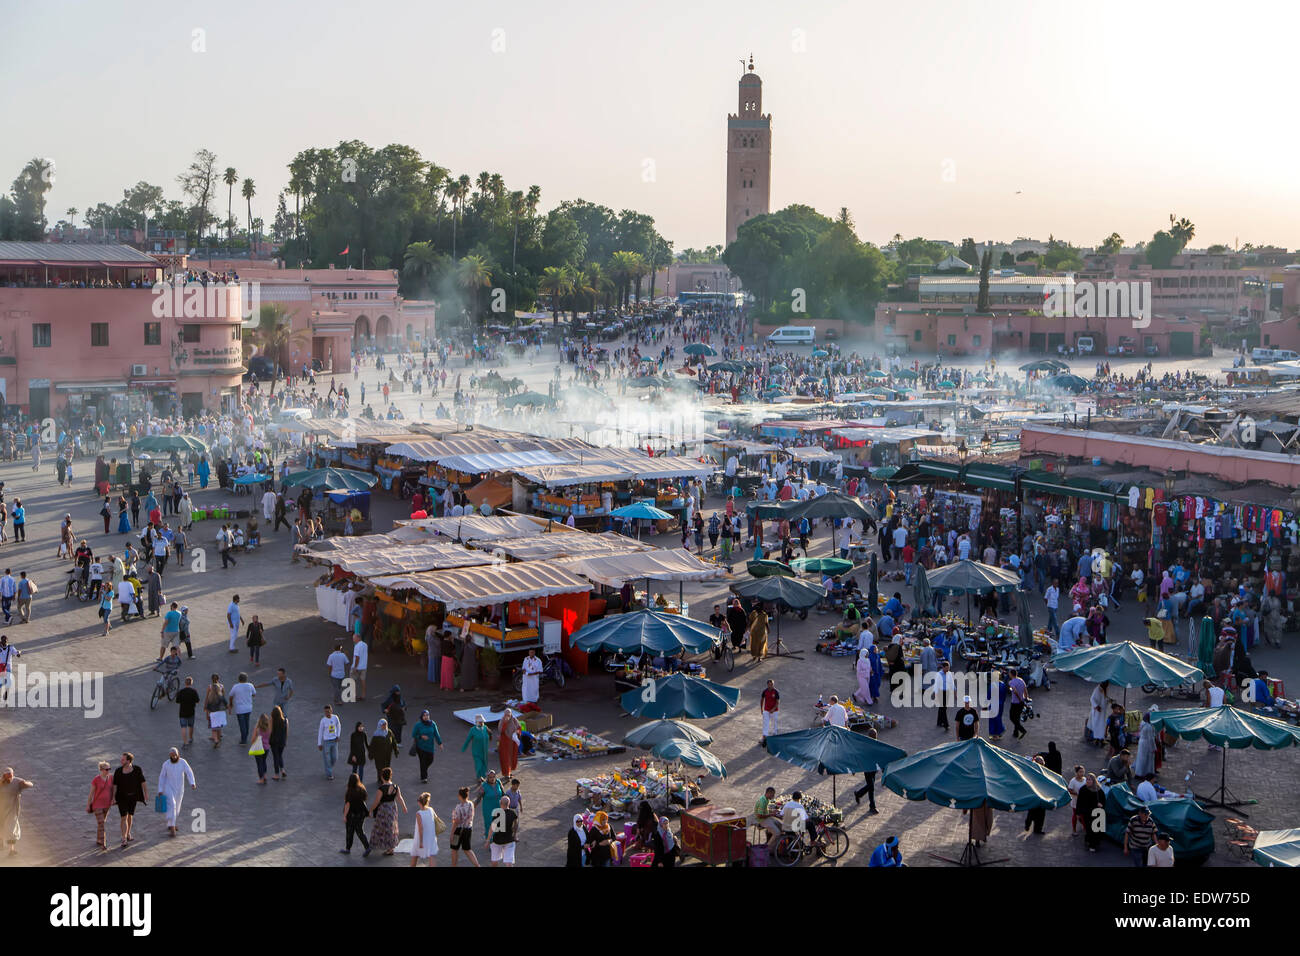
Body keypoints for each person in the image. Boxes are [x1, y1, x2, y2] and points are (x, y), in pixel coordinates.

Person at [156, 747, 196, 837]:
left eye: (175, 755)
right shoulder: (166, 764)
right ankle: (172, 827)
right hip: (168, 787)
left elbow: (189, 772)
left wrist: (192, 783)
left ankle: (170, 823)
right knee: (172, 805)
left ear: (178, 755)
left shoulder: (183, 762)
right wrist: (160, 789)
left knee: (177, 807)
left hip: (180, 788)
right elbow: (162, 777)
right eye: (172, 756)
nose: (173, 757)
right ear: (169, 756)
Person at [110, 752, 146, 849]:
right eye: (121, 759)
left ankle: (128, 832)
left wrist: (145, 794)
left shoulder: (137, 769)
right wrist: (113, 797)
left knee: (130, 815)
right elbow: (115, 785)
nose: (121, 761)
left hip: (133, 797)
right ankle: (124, 838)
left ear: (129, 761)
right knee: (123, 817)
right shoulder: (118, 771)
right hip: (121, 798)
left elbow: (143, 782)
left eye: (123, 760)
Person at [368, 766, 406, 856]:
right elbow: (399, 798)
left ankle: (378, 844)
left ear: (382, 777)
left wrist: (370, 810)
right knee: (392, 826)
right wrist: (404, 807)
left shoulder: (381, 789)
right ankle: (391, 847)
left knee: (381, 826)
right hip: (393, 807)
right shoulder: (396, 787)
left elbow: (377, 802)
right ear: (390, 776)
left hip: (384, 809)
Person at [0, 768, 33, 856]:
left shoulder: (17, 782)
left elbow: (31, 784)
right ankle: (1, 842)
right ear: (4, 776)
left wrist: (25, 783)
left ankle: (11, 850)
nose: (9, 778)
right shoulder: (1, 782)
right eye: (7, 776)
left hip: (12, 809)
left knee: (12, 828)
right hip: (1, 809)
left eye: (10, 776)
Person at [474, 770, 506, 852]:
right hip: (488, 809)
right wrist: (472, 807)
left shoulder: (498, 782)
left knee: (500, 824)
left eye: (493, 777)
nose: (492, 779)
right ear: (487, 778)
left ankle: (499, 841)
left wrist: (507, 805)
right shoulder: (484, 786)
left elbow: (503, 794)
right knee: (490, 824)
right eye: (490, 777)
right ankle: (491, 843)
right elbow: (478, 799)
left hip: (499, 807)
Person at [341, 773, 371, 856]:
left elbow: (347, 805)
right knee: (360, 831)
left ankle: (348, 849)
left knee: (350, 832)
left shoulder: (350, 791)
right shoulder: (362, 789)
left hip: (352, 815)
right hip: (361, 814)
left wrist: (344, 816)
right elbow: (364, 800)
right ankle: (367, 847)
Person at [410, 710, 443, 783]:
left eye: (427, 715)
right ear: (422, 717)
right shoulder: (418, 725)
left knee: (430, 760)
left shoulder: (432, 724)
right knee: (423, 762)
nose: (426, 717)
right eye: (424, 715)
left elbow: (436, 734)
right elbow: (413, 734)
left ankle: (424, 769)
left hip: (430, 747)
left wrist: (440, 743)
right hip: (420, 747)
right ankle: (424, 778)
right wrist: (421, 736)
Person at [853, 727, 882, 813]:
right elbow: (860, 756)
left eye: (876, 735)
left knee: (870, 786)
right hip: (867, 768)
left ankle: (858, 794)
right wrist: (855, 767)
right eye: (874, 735)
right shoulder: (865, 745)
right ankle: (872, 806)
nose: (875, 737)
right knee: (871, 787)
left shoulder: (876, 743)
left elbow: (880, 756)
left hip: (873, 769)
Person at [87, 761, 113, 851]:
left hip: (107, 805)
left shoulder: (111, 778)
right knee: (101, 822)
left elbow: (113, 790)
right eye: (107, 769)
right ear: (101, 770)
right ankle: (103, 842)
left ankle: (99, 839)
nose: (108, 771)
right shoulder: (96, 779)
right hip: (97, 805)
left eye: (109, 769)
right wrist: (88, 805)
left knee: (101, 823)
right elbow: (91, 793)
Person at [451, 787, 481, 867]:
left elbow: (456, 821)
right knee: (467, 849)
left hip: (458, 830)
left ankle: (454, 865)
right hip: (468, 829)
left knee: (454, 849)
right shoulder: (471, 804)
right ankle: (477, 865)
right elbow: (471, 816)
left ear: (460, 796)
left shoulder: (458, 807)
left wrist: (452, 833)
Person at [1077, 773, 1105, 852]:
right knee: (1090, 829)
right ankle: (1091, 844)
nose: (1088, 781)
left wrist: (1101, 805)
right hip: (1087, 813)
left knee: (1096, 830)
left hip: (1097, 813)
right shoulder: (1083, 789)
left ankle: (1094, 842)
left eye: (1089, 780)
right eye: (1087, 780)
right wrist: (1078, 813)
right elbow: (1079, 802)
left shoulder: (1098, 790)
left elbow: (1103, 800)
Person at [489, 794, 518, 867]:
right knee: (509, 862)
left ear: (500, 803)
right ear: (509, 803)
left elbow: (492, 828)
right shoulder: (513, 813)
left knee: (494, 860)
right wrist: (514, 835)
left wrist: (488, 840)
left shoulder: (497, 813)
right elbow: (515, 825)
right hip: (509, 839)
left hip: (497, 840)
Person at [462, 714, 493, 779]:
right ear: (476, 722)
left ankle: (483, 777)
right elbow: (468, 740)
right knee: (479, 765)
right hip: (476, 752)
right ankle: (479, 777)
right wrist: (463, 748)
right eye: (480, 722)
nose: (482, 723)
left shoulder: (485, 728)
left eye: (482, 722)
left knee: (484, 765)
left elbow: (490, 734)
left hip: (484, 752)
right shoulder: (473, 730)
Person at [318, 704, 342, 780]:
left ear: (331, 711)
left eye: (328, 711)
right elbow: (320, 732)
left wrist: (338, 735)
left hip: (334, 741)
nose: (327, 713)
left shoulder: (335, 718)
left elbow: (339, 726)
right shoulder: (323, 721)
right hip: (326, 742)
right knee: (327, 758)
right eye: (325, 712)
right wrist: (319, 744)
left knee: (335, 758)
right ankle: (329, 773)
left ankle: (328, 767)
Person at [1134, 710, 1158, 778]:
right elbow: (1151, 739)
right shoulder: (1149, 727)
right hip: (1147, 744)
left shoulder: (1143, 723)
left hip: (1142, 742)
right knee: (1146, 760)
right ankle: (1144, 774)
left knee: (1140, 758)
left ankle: (1139, 773)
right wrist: (1153, 748)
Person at [498, 708, 521, 777]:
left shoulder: (514, 720)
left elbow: (519, 727)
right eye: (506, 715)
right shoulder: (502, 721)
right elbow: (501, 730)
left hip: (512, 742)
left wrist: (517, 732)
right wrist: (505, 723)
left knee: (512, 757)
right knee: (505, 758)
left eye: (509, 714)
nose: (507, 716)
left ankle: (509, 771)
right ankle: (506, 773)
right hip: (505, 742)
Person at [1007, 668, 1029, 740]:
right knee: (1017, 717)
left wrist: (1019, 699)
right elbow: (1025, 690)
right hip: (1021, 702)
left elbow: (1015, 691)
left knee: (1012, 717)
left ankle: (1022, 730)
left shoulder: (1011, 682)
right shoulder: (1021, 680)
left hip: (1015, 703)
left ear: (1011, 674)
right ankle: (1015, 733)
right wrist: (1026, 698)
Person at [1087, 681, 1110, 746]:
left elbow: (1104, 699)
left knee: (1102, 725)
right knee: (1098, 725)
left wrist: (1109, 700)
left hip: (1102, 712)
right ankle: (1099, 739)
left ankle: (1100, 739)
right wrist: (1096, 706)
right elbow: (1092, 699)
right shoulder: (1097, 690)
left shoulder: (1104, 689)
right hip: (1098, 712)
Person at [759, 678, 780, 745]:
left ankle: (775, 735)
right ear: (767, 685)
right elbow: (762, 700)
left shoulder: (776, 692)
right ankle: (764, 737)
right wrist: (761, 709)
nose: (771, 686)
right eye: (769, 684)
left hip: (774, 711)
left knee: (775, 723)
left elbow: (778, 702)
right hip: (766, 710)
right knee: (765, 723)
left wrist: (773, 709)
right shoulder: (764, 691)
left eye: (772, 684)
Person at [1067, 765, 1087, 833]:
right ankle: (1074, 830)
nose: (1082, 773)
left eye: (1083, 772)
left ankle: (1085, 828)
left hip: (1084, 802)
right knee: (1075, 815)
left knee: (1084, 816)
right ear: (1076, 773)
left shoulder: (1085, 780)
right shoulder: (1073, 781)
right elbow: (1069, 790)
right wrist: (1077, 794)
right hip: (1075, 802)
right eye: (1080, 772)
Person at [350, 633, 368, 701]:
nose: (353, 640)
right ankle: (363, 695)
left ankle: (353, 696)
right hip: (364, 666)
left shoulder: (357, 646)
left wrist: (355, 667)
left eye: (354, 638)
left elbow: (357, 657)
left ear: (358, 638)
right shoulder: (365, 645)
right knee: (363, 680)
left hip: (357, 667)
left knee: (352, 680)